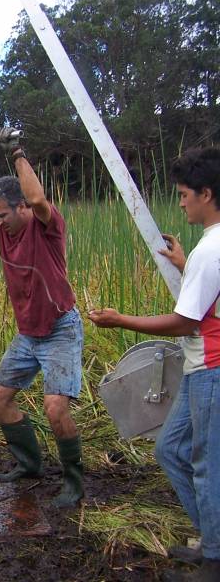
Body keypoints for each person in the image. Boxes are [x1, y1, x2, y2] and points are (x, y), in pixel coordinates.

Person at [89, 147, 220, 582]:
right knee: (171, 449)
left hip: (211, 370)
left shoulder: (211, 250)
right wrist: (185, 265)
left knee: (206, 464)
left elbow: (185, 321)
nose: (180, 202)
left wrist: (119, 320)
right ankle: (211, 538)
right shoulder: (207, 250)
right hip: (201, 369)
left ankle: (213, 563)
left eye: (185, 194)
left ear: (206, 193)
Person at [0, 128, 84, 508]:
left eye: (4, 214)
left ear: (21, 207)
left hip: (60, 329)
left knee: (56, 408)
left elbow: (39, 196)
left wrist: (18, 152)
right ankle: (30, 465)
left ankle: (74, 482)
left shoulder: (47, 225)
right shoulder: (0, 227)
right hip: (28, 334)